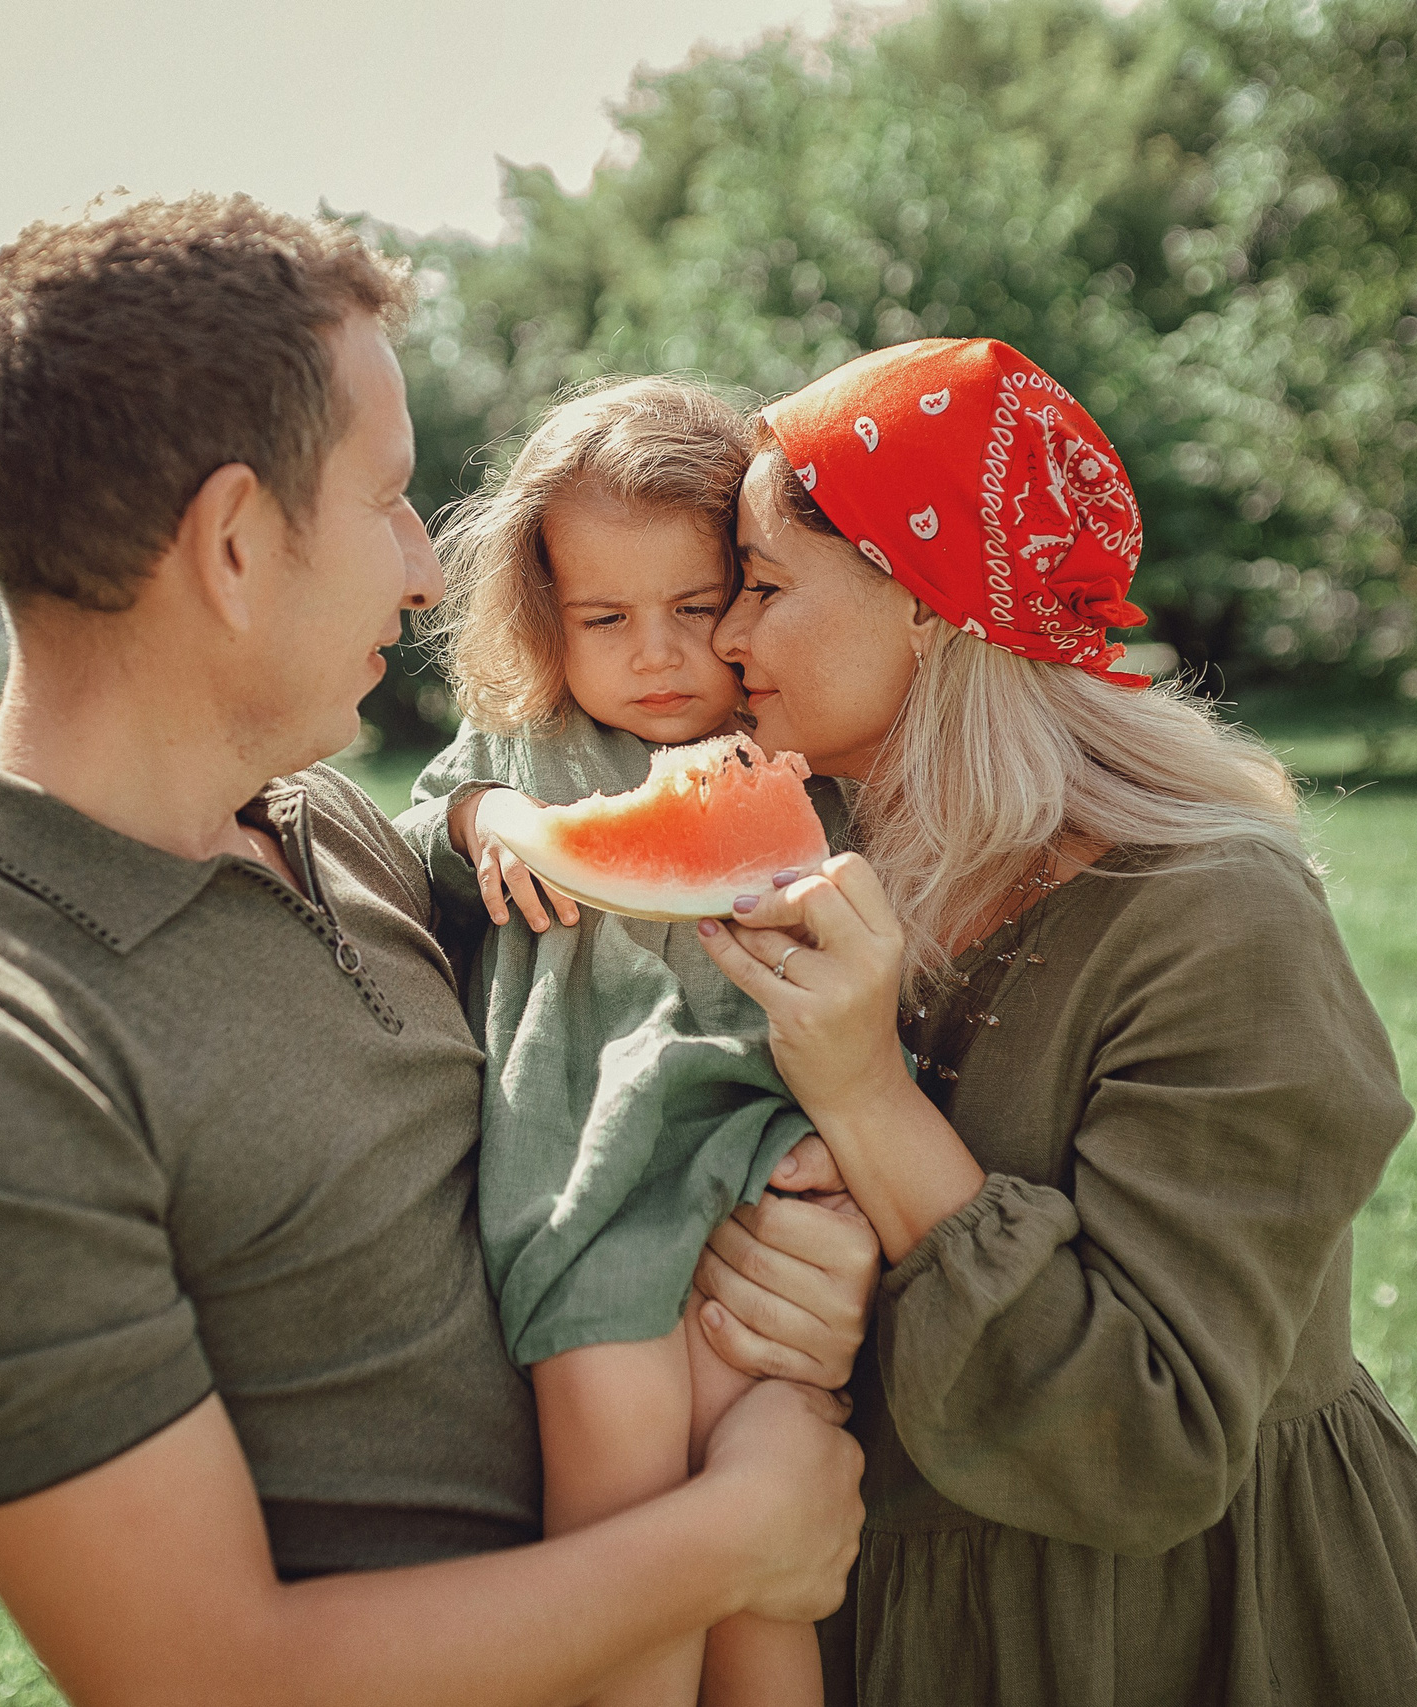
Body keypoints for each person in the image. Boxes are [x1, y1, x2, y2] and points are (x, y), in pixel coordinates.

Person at [0, 194, 877, 1707]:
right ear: (235, 545)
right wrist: (737, 1540)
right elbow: (206, 1682)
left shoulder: (332, 825)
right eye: (391, 501)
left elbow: (602, 1104)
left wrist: (782, 1256)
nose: (427, 570)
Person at [685, 336, 1417, 1705]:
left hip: (1182, 1631)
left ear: (927, 604)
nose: (724, 637)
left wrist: (867, 1096)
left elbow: (1151, 1438)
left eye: (763, 586)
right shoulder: (813, 854)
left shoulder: (1219, 924)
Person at [397, 376, 844, 1707]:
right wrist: (489, 822)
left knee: (767, 1580)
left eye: (696, 609)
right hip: (583, 1192)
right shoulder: (523, 751)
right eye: (604, 619)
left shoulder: (795, 748)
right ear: (544, 614)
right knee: (629, 1548)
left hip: (762, 1197)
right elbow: (426, 824)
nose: (655, 656)